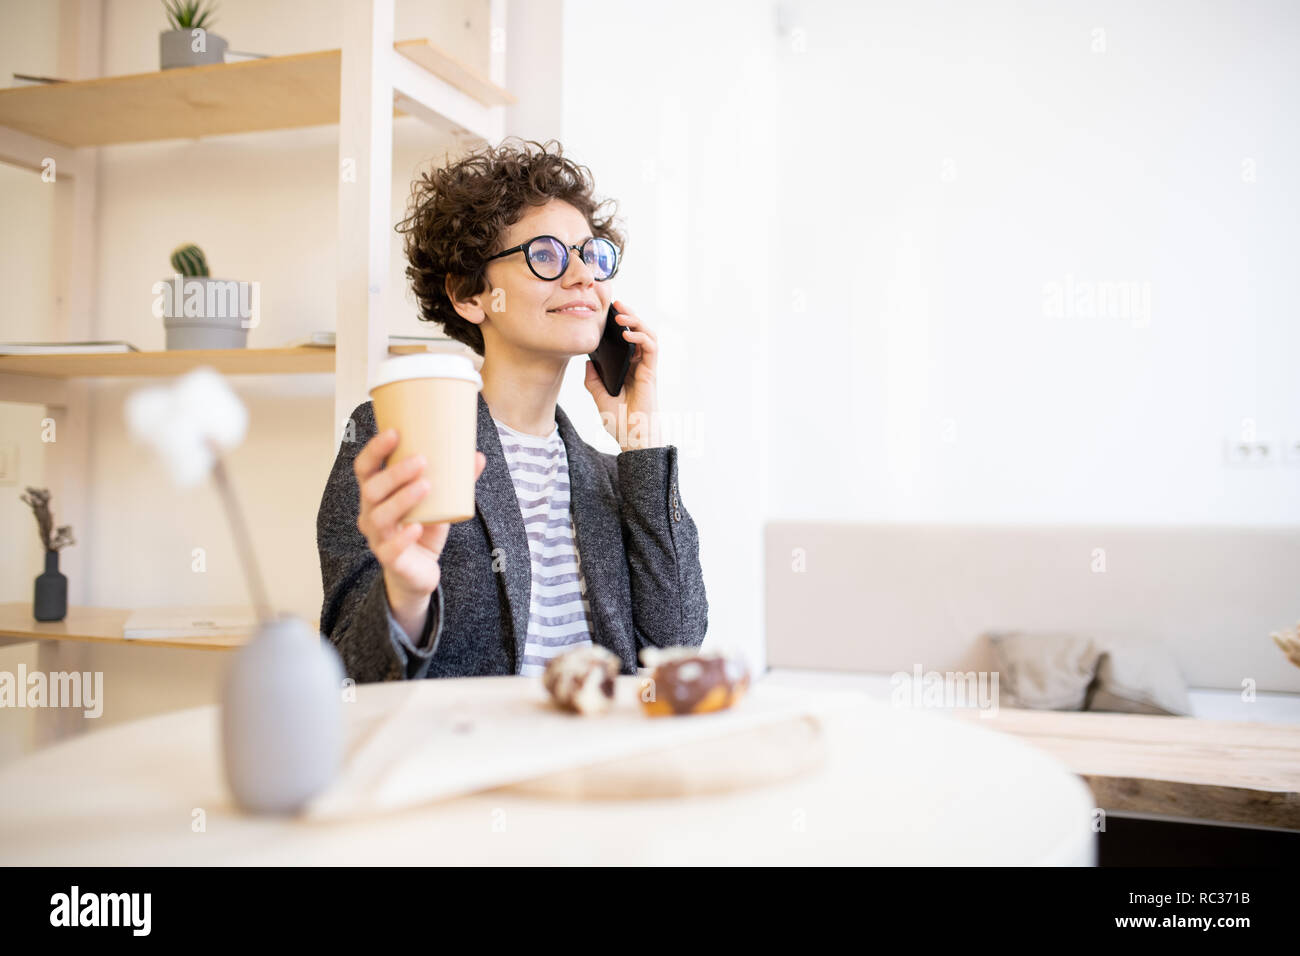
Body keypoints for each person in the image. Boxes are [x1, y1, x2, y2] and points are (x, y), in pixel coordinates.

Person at [316, 138, 708, 682]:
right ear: (469, 295)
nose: (583, 278)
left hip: (599, 760)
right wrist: (404, 596)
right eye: (545, 254)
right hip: (468, 761)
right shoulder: (394, 435)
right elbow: (347, 673)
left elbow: (678, 644)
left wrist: (639, 442)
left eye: (591, 255)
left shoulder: (613, 476)